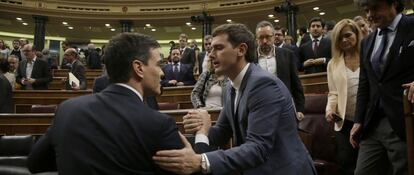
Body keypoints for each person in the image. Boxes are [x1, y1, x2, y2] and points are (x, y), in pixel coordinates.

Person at [153, 23, 316, 175]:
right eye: (210, 49)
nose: (210, 55)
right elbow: (222, 133)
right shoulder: (231, 85)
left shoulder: (263, 85)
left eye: (218, 48)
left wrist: (201, 161)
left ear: (241, 50)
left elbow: (258, 148)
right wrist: (199, 130)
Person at [27, 33, 186, 175]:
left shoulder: (67, 109)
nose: (162, 72)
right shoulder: (159, 124)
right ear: (139, 68)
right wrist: (201, 140)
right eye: (158, 64)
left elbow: (35, 163)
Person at [351, 0, 414, 174]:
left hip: (405, 120)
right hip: (373, 124)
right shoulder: (367, 41)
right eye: (367, 10)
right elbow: (365, 83)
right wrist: (358, 120)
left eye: (376, 8)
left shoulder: (411, 25)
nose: (370, 14)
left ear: (394, 3)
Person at [325, 19, 363, 175]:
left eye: (348, 35)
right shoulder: (333, 64)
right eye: (340, 38)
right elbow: (333, 92)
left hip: (368, 120)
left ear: (356, 34)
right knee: (347, 163)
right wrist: (329, 109)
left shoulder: (367, 56)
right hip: (344, 122)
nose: (344, 40)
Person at [256, 21, 305, 121]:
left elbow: (296, 84)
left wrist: (300, 109)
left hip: (284, 107)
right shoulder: (250, 58)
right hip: (259, 109)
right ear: (257, 39)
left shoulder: (287, 55)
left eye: (268, 37)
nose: (264, 41)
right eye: (261, 37)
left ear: (273, 37)